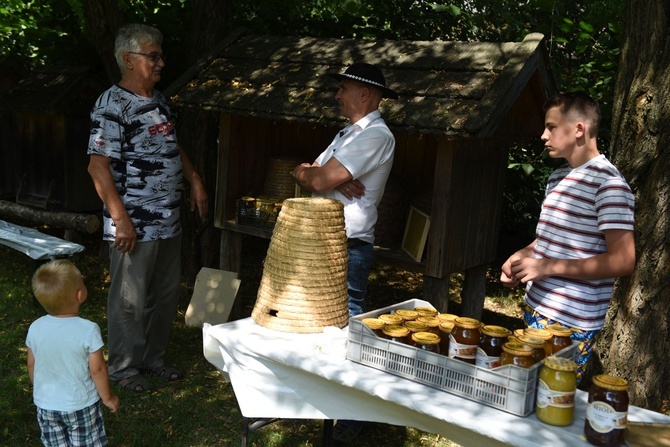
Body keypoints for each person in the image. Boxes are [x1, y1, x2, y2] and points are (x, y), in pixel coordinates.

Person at [87, 23, 208, 393]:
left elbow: (171, 146)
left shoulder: (158, 99)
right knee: (130, 299)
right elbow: (97, 166)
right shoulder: (111, 104)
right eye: (153, 56)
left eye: (160, 56)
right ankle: (124, 369)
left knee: (165, 293)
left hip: (169, 219)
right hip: (135, 225)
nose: (161, 63)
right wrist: (121, 220)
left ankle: (153, 360)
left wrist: (194, 178)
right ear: (129, 59)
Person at [500, 92, 635, 383]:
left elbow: (623, 261)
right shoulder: (557, 177)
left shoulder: (609, 185)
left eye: (551, 127)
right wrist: (522, 256)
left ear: (578, 130)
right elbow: (547, 241)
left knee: (550, 406)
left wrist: (546, 267)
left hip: (571, 324)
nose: (542, 135)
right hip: (536, 307)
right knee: (518, 394)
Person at [292, 62, 397, 318]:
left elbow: (315, 181)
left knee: (344, 318)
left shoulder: (376, 136)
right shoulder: (347, 134)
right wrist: (323, 175)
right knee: (314, 314)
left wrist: (322, 176)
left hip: (348, 245)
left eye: (343, 88)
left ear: (365, 94)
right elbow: (306, 173)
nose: (337, 95)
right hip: (326, 238)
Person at [27, 259, 120, 446]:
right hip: (80, 404)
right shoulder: (88, 329)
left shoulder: (35, 327)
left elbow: (31, 364)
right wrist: (108, 398)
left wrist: (42, 391)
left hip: (46, 405)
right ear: (79, 295)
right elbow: (98, 370)